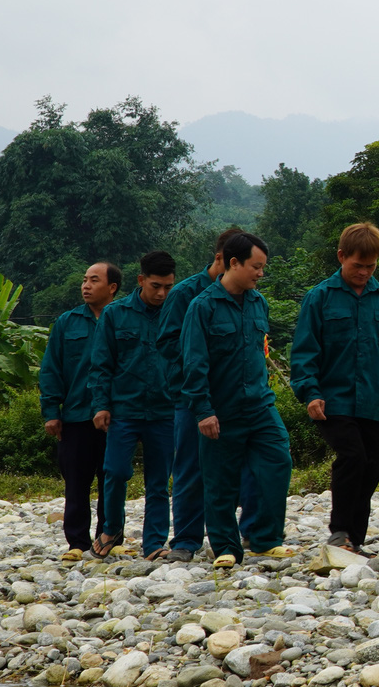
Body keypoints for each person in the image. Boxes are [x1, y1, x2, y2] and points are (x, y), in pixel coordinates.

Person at [178, 232, 295, 567]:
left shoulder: (259, 303)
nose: (260, 273)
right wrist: (203, 410)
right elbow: (194, 363)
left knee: (277, 463)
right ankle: (226, 547)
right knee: (219, 481)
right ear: (233, 263)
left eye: (263, 267)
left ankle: (265, 538)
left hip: (260, 405)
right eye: (255, 267)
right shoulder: (202, 306)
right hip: (220, 410)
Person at [292, 221, 379, 558]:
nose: (364, 272)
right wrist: (310, 392)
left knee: (372, 467)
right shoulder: (319, 298)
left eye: (371, 266)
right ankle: (339, 531)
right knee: (352, 457)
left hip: (372, 402)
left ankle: (355, 539)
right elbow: (305, 351)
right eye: (357, 265)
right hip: (331, 400)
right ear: (341, 256)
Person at [157, 227, 258, 561]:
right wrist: (202, 368)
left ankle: (240, 535)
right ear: (223, 259)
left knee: (238, 467)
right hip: (192, 398)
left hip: (236, 398)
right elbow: (169, 345)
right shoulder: (187, 294)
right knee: (190, 467)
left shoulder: (248, 295)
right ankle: (186, 541)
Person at [86, 250, 178, 559]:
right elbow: (100, 364)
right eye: (155, 286)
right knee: (115, 470)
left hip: (165, 411)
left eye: (168, 287)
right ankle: (111, 528)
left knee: (158, 482)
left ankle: (154, 544)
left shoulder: (178, 313)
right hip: (123, 409)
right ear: (141, 281)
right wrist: (101, 405)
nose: (162, 293)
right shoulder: (115, 314)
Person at [39, 261, 121, 562]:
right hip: (75, 416)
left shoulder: (124, 318)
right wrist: (51, 410)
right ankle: (77, 541)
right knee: (76, 481)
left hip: (116, 416)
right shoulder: (67, 322)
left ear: (112, 287)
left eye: (94, 280)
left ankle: (111, 537)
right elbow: (52, 369)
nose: (86, 285)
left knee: (112, 478)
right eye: (84, 280)